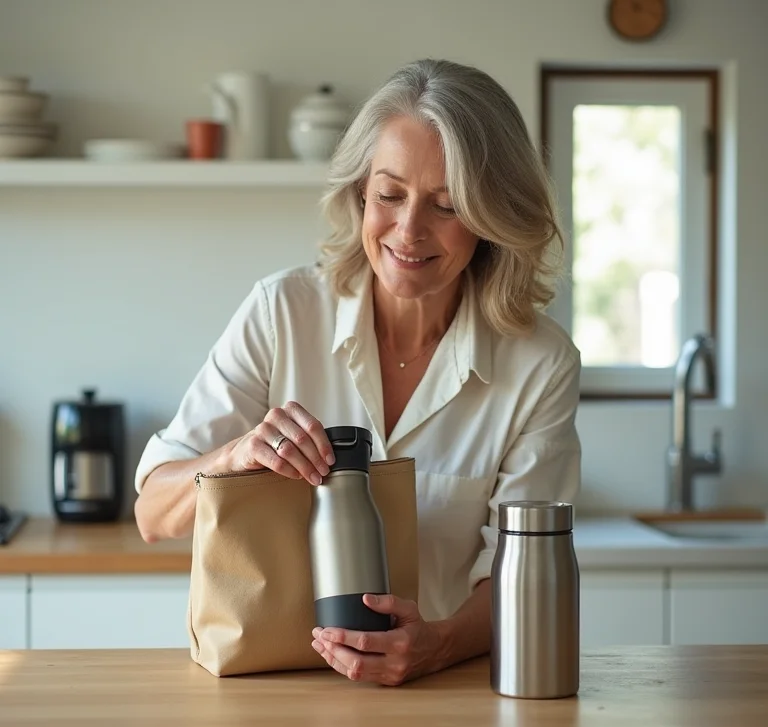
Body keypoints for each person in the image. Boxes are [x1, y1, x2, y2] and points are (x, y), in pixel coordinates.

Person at [134, 58, 581, 687]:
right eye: (390, 195)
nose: (408, 231)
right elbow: (153, 514)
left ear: (491, 218)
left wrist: (439, 645)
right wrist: (232, 455)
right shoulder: (279, 312)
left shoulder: (541, 362)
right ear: (359, 193)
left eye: (447, 206)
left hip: (446, 695)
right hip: (270, 694)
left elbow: (523, 570)